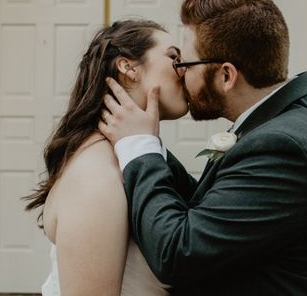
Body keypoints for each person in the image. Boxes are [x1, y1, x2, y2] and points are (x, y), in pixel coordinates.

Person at [99, 0, 307, 295]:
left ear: (226, 75)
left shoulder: (283, 147)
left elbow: (178, 254)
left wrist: (139, 150)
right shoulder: (284, 122)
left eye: (185, 63)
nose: (180, 72)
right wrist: (149, 145)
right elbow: (216, 214)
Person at [25, 20, 188, 296]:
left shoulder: (128, 157)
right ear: (129, 68)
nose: (185, 69)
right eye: (174, 57)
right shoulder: (97, 176)